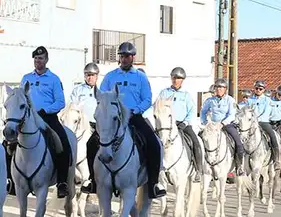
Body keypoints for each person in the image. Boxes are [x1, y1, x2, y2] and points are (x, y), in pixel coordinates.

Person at [82, 41, 165, 198]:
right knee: (91, 143)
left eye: (127, 56)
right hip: (113, 120)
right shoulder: (110, 76)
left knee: (154, 143)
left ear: (133, 57)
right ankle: (92, 180)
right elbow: (102, 97)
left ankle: (154, 183)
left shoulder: (140, 77)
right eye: (122, 56)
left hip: (134, 117)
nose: (124, 59)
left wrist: (136, 110)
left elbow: (147, 99)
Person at [18, 47, 72, 198]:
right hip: (28, 118)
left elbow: (60, 102)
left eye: (40, 58)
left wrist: (45, 110)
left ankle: (62, 182)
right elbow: (20, 97)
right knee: (9, 141)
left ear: (46, 60)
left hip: (47, 117)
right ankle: (10, 179)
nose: (38, 61)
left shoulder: (53, 79)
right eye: (36, 58)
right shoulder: (26, 78)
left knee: (63, 143)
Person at [157, 67, 203, 183]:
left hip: (183, 124)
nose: (175, 80)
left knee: (196, 142)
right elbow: (157, 108)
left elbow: (192, 111)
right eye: (174, 78)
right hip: (166, 126)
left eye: (178, 78)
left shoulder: (186, 95)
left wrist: (185, 122)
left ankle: (198, 170)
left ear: (182, 80)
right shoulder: (164, 93)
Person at [199, 77, 245, 173]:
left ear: (225, 89)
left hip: (226, 125)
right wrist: (205, 122)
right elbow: (203, 112)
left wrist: (223, 123)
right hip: (212, 125)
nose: (219, 89)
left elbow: (232, 114)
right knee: (199, 140)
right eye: (217, 87)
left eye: (221, 87)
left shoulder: (230, 100)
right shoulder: (210, 100)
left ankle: (239, 166)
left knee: (239, 144)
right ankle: (199, 166)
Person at [67, 62, 101, 193]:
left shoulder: (101, 91)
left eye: (92, 75)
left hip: (97, 125)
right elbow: (72, 107)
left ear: (97, 76)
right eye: (87, 75)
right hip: (81, 125)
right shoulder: (78, 90)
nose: (90, 77)